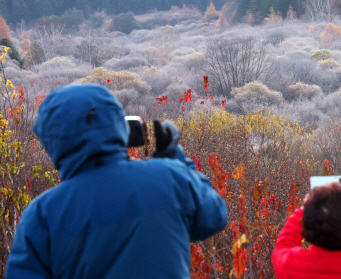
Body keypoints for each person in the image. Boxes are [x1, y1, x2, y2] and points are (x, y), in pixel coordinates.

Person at [6, 84, 228, 279]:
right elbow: (214, 217)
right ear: (116, 123)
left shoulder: (42, 215)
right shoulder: (169, 177)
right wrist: (176, 159)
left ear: (50, 139)